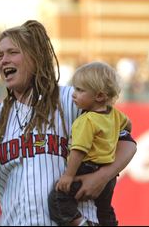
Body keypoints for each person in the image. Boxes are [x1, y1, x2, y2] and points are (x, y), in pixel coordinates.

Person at [0, 20, 137, 226]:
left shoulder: (71, 99)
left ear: (35, 57)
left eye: (12, 52)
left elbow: (127, 142)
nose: (3, 60)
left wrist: (102, 177)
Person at [49, 61, 132, 226]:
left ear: (99, 96)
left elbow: (78, 151)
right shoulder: (115, 115)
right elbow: (128, 125)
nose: (74, 94)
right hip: (108, 175)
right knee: (104, 209)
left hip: (86, 168)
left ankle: (82, 223)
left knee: (58, 199)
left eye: (80, 90)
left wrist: (68, 175)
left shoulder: (86, 120)